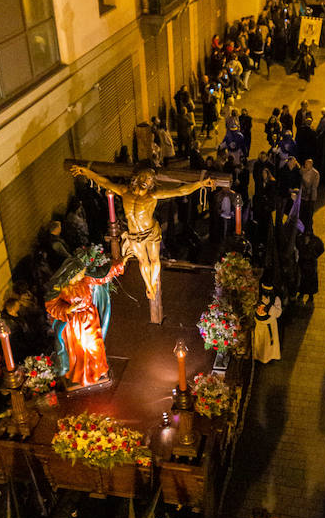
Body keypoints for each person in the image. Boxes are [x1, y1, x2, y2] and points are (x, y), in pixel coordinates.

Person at [70, 163, 215, 318]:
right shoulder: (124, 191)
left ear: (153, 183)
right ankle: (149, 286)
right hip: (134, 234)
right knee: (143, 261)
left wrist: (200, 184)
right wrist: (87, 172)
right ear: (137, 178)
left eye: (150, 179)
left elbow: (179, 191)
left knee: (154, 259)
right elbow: (105, 182)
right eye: (144, 176)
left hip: (151, 232)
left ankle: (152, 283)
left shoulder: (152, 195)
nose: (147, 180)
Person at [45, 248, 125, 388]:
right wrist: (68, 309)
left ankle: (97, 370)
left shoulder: (86, 280)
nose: (83, 273)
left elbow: (102, 277)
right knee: (80, 349)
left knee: (95, 345)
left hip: (90, 317)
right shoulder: (62, 289)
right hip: (75, 323)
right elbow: (52, 305)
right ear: (73, 274)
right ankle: (84, 373)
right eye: (81, 272)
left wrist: (119, 265)